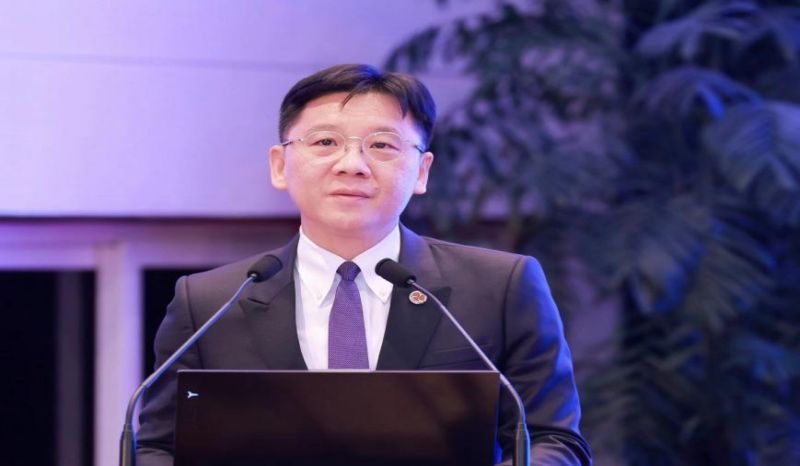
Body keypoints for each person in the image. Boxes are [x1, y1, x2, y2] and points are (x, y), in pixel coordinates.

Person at [136, 64, 592, 465]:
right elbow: (160, 447)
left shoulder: (499, 286)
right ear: (280, 165)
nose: (352, 164)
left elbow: (552, 439)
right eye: (325, 141)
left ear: (422, 171)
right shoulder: (210, 302)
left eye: (382, 145)